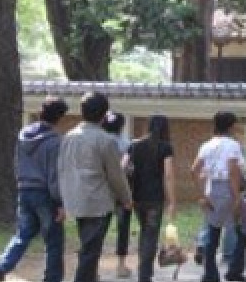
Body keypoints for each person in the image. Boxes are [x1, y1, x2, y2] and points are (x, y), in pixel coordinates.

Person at [0, 96, 69, 282]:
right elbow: (54, 175)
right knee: (54, 241)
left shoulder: (23, 135)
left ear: (41, 112)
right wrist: (60, 203)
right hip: (45, 195)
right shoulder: (56, 142)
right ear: (60, 117)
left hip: (24, 190)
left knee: (22, 234)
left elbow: (17, 163)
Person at [58, 92, 133, 282]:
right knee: (90, 252)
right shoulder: (105, 140)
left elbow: (62, 169)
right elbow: (116, 175)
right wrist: (126, 198)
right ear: (104, 114)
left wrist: (63, 198)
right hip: (97, 202)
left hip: (75, 199)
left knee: (88, 246)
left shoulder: (68, 137)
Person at [191, 111, 246, 282]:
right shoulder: (233, 145)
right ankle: (234, 271)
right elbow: (233, 171)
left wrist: (202, 195)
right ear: (231, 126)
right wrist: (236, 197)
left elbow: (194, 170)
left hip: (212, 189)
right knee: (241, 231)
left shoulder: (206, 145)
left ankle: (210, 273)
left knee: (213, 232)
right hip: (228, 189)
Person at [122, 114, 177, 282]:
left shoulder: (134, 144)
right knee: (150, 235)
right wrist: (172, 201)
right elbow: (168, 175)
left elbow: (122, 168)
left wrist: (125, 194)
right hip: (155, 199)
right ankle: (145, 275)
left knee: (145, 232)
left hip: (137, 197)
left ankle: (144, 271)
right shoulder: (165, 147)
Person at [100, 111, 133, 279]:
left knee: (99, 229)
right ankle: (120, 266)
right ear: (121, 126)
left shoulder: (99, 142)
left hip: (102, 191)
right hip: (122, 190)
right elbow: (129, 168)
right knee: (123, 228)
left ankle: (93, 267)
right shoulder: (127, 144)